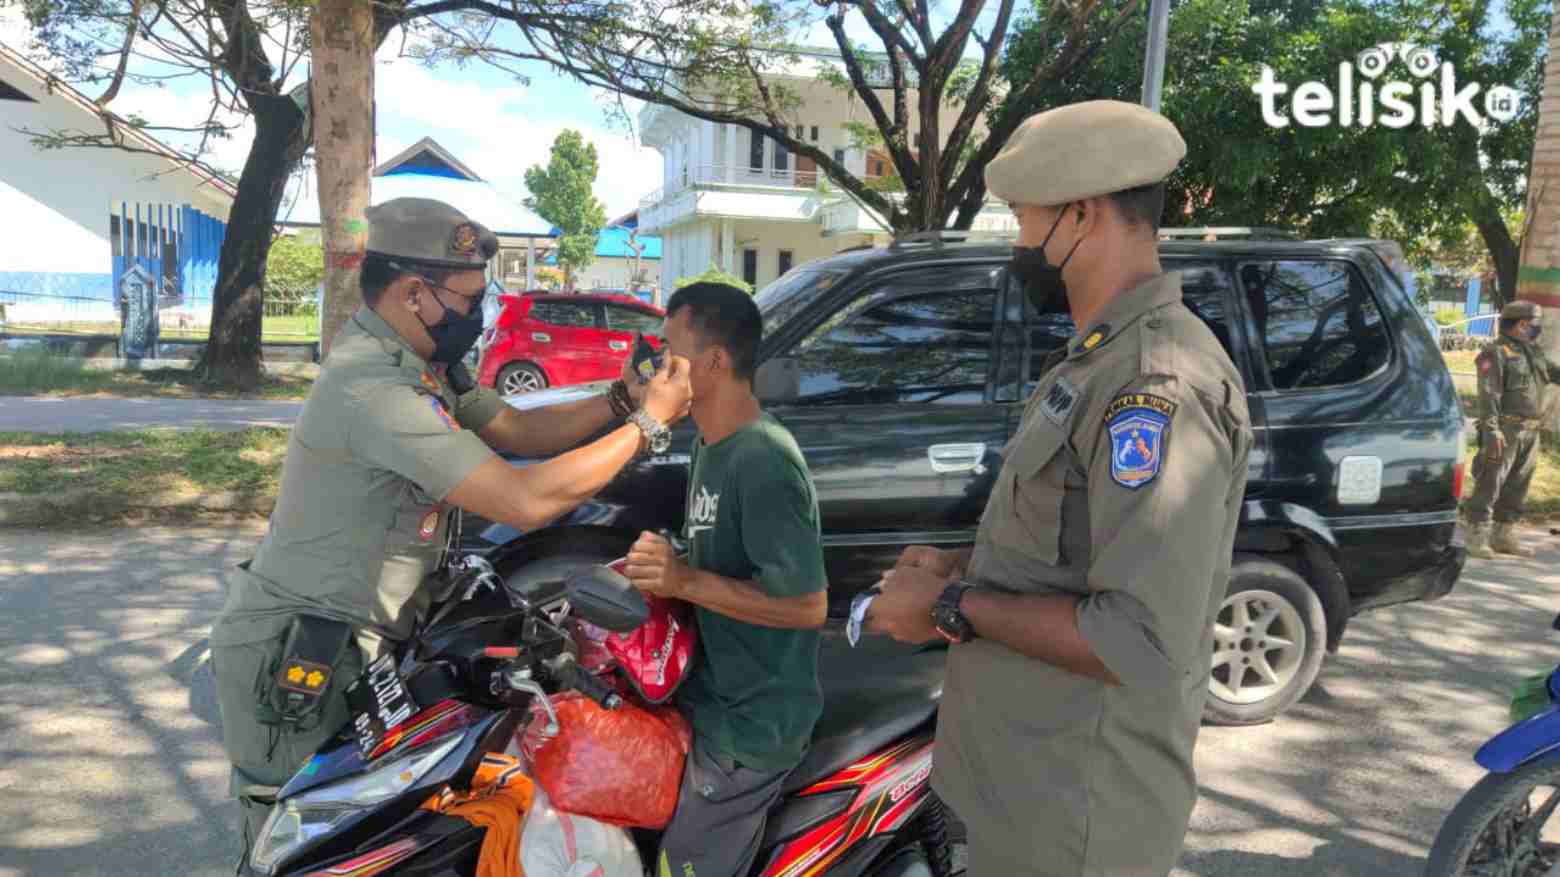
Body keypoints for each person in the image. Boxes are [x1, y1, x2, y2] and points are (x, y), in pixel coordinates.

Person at [209, 197, 692, 860]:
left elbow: (519, 431)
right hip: (302, 659)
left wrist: (619, 399)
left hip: (353, 643)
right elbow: (521, 498)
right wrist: (652, 425)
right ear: (414, 294)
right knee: (299, 843)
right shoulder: (373, 389)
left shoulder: (424, 365)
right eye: (469, 296)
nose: (481, 310)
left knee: (364, 831)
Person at [865, 100, 1254, 877]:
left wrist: (949, 608)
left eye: (1023, 219)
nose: (1018, 245)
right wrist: (958, 565)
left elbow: (1138, 637)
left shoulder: (1156, 384)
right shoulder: (1093, 361)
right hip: (1020, 790)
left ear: (1081, 216)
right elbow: (1064, 547)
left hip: (1074, 822)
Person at [620, 281, 828, 877]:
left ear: (714, 362)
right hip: (709, 700)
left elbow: (807, 605)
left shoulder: (762, 458)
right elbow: (717, 561)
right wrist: (670, 565)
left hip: (751, 729)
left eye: (669, 352)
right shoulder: (713, 446)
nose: (656, 365)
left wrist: (682, 579)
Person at [1467, 300, 1560, 558]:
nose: (1537, 329)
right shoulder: (1494, 352)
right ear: (1521, 324)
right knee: (1491, 482)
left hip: (1530, 430)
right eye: (1534, 325)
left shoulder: (1533, 352)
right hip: (1505, 429)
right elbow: (1489, 394)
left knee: (1518, 484)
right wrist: (1491, 429)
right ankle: (1477, 535)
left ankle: (1503, 534)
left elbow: (1556, 374)